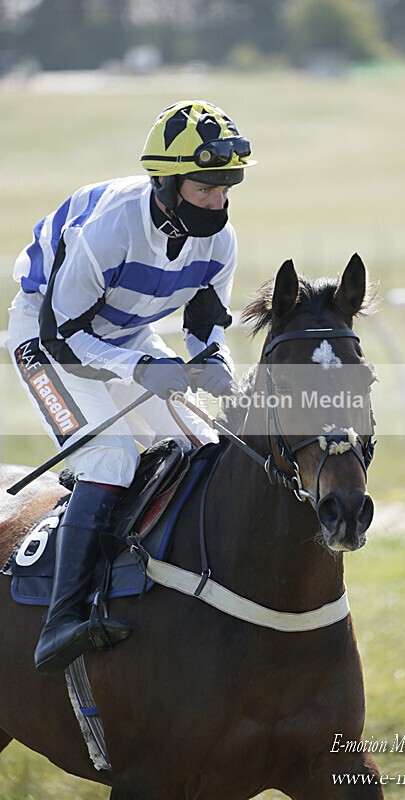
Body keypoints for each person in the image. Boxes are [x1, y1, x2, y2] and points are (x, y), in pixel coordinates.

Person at [6, 100, 255, 674]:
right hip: (48, 337)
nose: (217, 202)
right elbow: (64, 335)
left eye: (225, 189)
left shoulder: (220, 239)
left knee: (205, 446)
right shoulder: (112, 227)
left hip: (126, 333)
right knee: (111, 456)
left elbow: (204, 323)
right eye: (204, 188)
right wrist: (140, 369)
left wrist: (212, 359)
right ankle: (62, 620)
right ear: (165, 183)